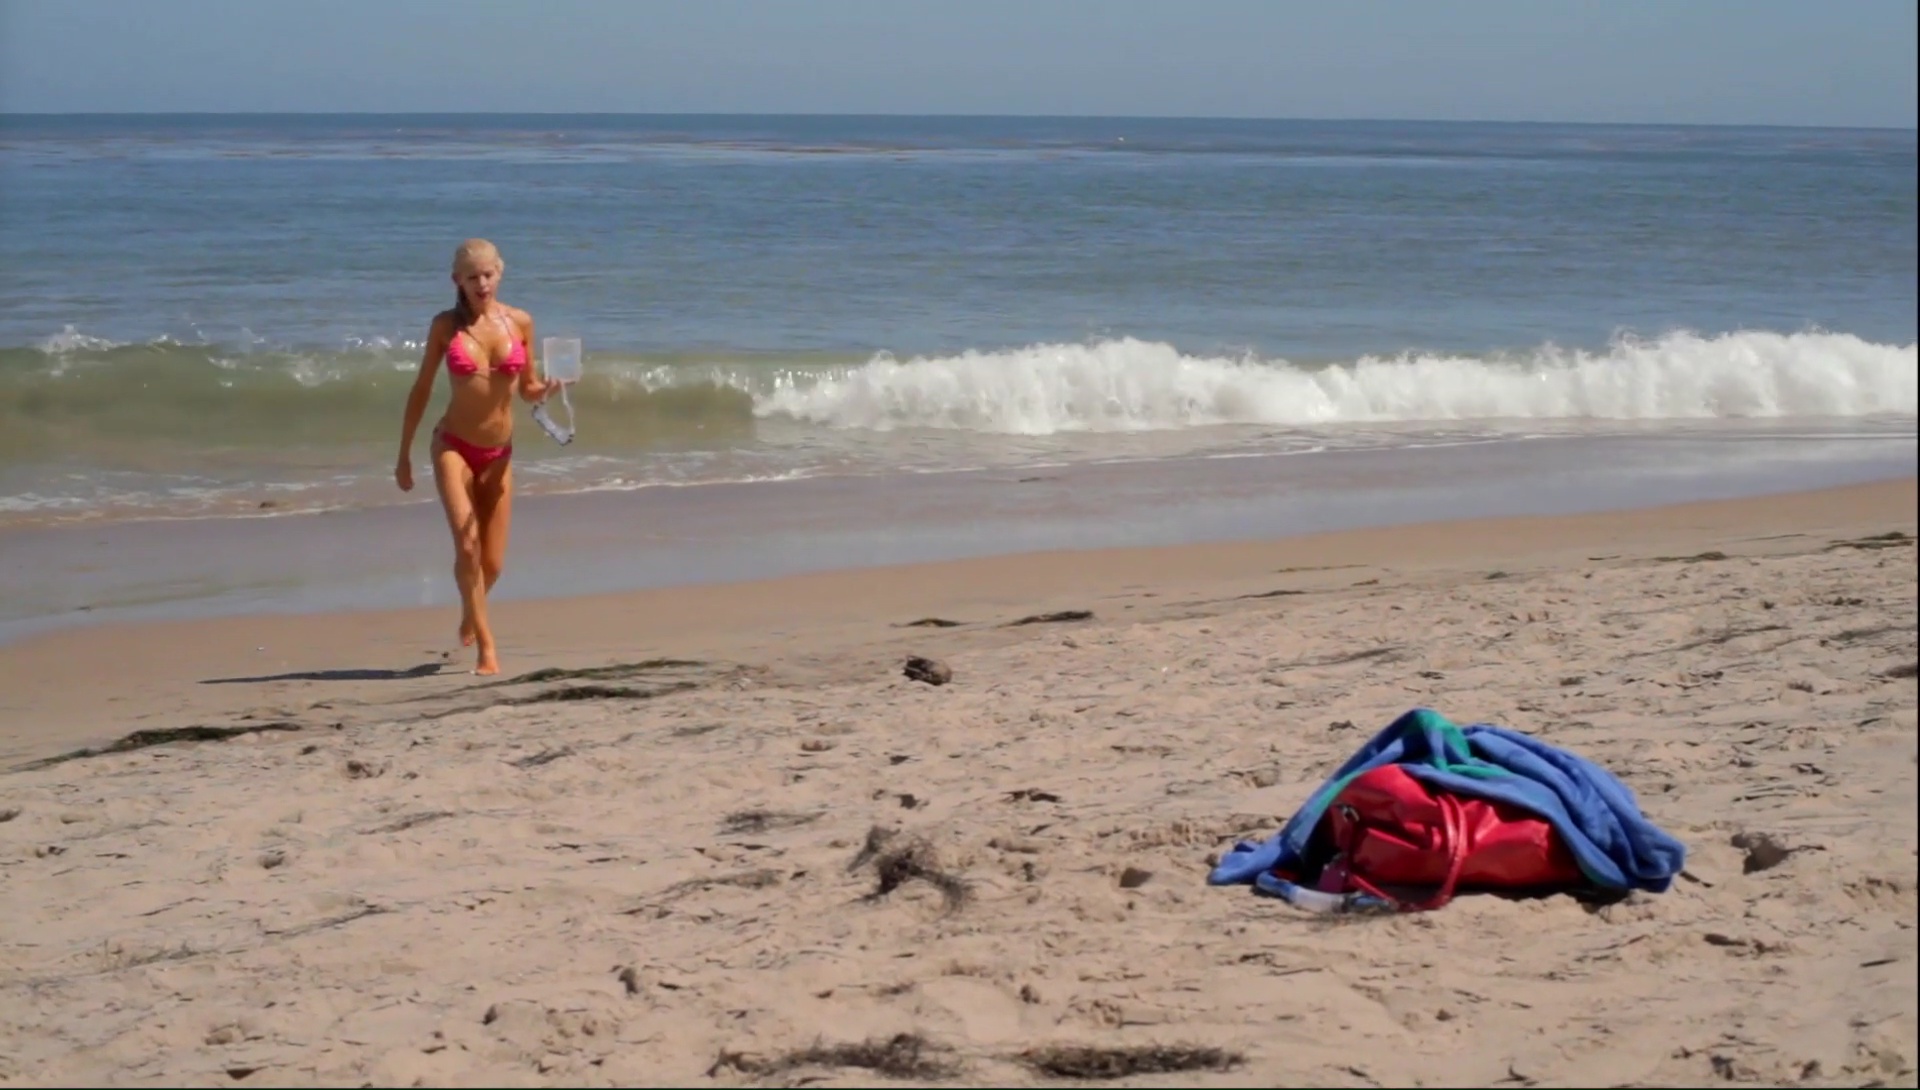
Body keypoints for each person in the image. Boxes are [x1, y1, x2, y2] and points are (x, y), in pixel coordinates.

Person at [395, 239, 555, 675]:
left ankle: (470, 609)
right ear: (457, 281)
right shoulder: (445, 326)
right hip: (453, 446)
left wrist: (547, 389)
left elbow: (528, 389)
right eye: (472, 277)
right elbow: (422, 388)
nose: (481, 283)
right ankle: (487, 647)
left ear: (499, 274)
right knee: (467, 547)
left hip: (499, 453)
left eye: (488, 274)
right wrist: (404, 454)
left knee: (493, 564)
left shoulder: (520, 322)